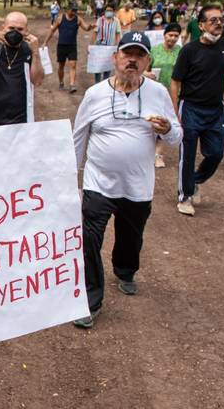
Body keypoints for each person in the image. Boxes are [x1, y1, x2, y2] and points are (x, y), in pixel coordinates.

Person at [71, 32, 182, 329]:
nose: (132, 60)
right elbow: (79, 136)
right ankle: (90, 300)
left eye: (139, 55)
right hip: (98, 182)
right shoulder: (94, 94)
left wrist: (168, 127)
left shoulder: (158, 92)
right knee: (89, 239)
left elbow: (176, 137)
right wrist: (70, 175)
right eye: (127, 54)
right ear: (115, 58)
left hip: (138, 185)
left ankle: (125, 269)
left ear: (147, 61)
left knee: (130, 237)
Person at [170, 4, 224, 216]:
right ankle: (185, 196)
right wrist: (174, 111)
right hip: (190, 107)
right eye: (213, 20)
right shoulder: (189, 50)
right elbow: (175, 82)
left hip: (215, 110)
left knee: (216, 153)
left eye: (221, 20)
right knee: (187, 155)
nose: (219, 24)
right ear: (201, 25)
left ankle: (193, 180)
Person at [145, 23, 182, 168]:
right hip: (154, 91)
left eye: (175, 36)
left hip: (173, 93)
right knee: (151, 120)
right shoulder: (154, 51)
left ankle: (158, 155)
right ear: (164, 35)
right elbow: (144, 70)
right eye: (170, 35)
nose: (172, 38)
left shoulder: (181, 52)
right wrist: (147, 74)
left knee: (164, 122)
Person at [44, 2, 94, 93]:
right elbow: (52, 31)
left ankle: (72, 85)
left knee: (73, 65)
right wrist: (45, 42)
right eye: (73, 10)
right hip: (62, 46)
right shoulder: (60, 19)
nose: (74, 12)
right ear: (68, 9)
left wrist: (90, 27)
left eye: (76, 10)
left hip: (72, 46)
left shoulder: (78, 19)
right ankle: (61, 82)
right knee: (61, 66)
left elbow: (86, 28)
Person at [93, 3, 122, 83]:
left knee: (107, 68)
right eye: (107, 10)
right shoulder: (100, 20)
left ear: (114, 11)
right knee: (98, 68)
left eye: (111, 10)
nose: (109, 12)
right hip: (99, 47)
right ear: (104, 11)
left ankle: (105, 84)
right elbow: (95, 33)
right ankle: (97, 84)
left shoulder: (116, 21)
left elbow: (118, 34)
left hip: (110, 48)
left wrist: (117, 47)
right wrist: (91, 46)